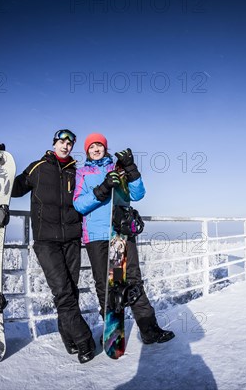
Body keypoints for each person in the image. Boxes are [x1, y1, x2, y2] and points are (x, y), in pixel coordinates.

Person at [0, 129, 96, 363]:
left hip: (71, 240)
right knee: (63, 291)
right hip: (46, 242)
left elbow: (86, 199)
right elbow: (14, 188)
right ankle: (84, 339)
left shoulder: (75, 173)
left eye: (70, 143)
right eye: (62, 141)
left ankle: (68, 338)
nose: (66, 146)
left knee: (71, 290)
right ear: (54, 143)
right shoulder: (37, 167)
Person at [73, 133, 174, 344]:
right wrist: (103, 188)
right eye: (92, 146)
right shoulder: (82, 173)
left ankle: (150, 330)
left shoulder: (117, 168)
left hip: (119, 234)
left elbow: (138, 194)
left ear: (105, 147)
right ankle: (112, 332)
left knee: (132, 281)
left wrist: (131, 168)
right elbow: (79, 205)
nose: (96, 148)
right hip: (96, 236)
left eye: (99, 145)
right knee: (106, 285)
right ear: (87, 151)